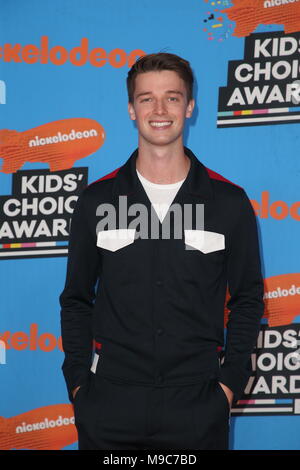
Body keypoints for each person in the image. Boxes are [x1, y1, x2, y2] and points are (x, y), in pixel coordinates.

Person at [59, 52, 264, 450]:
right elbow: (76, 299)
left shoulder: (228, 203)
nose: (159, 109)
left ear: (190, 106)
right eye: (146, 98)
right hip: (109, 406)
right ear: (131, 110)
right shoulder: (96, 201)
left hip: (198, 405)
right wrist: (79, 386)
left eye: (172, 97)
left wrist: (228, 386)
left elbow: (248, 300)